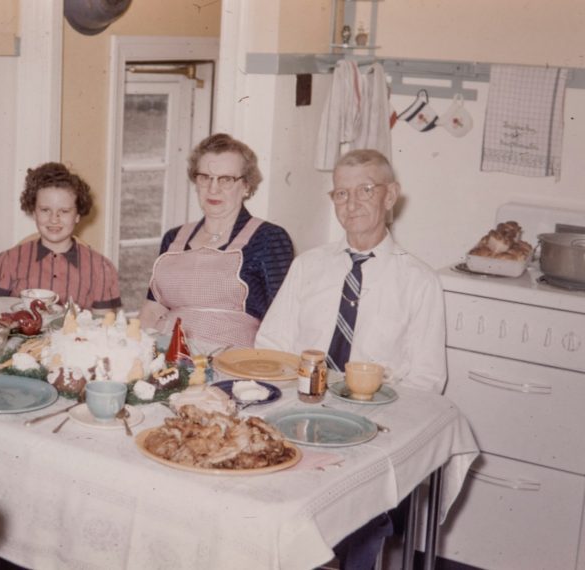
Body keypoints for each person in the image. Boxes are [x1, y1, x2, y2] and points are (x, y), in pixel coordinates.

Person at [255, 148, 446, 569]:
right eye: (341, 193)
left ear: (390, 195)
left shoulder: (418, 280)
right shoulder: (309, 267)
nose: (352, 203)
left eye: (365, 190)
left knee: (354, 519)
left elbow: (428, 381)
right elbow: (270, 347)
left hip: (371, 431)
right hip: (298, 420)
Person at [138, 133, 294, 350]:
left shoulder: (268, 238)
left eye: (226, 179)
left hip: (228, 363)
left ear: (246, 186)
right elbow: (153, 310)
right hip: (165, 352)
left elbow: (281, 320)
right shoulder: (174, 239)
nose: (213, 189)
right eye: (205, 177)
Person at [0, 162, 122, 313]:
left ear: (77, 215)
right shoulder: (7, 261)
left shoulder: (101, 268)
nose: (54, 219)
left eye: (64, 211)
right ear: (34, 212)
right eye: (45, 210)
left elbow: (104, 326)